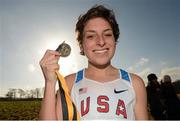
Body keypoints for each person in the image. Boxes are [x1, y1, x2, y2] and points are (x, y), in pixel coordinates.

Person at [39, 5, 148, 120]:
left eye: (107, 34)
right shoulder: (69, 83)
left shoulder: (134, 83)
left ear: (115, 40)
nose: (101, 41)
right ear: (81, 45)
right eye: (91, 36)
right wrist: (50, 83)